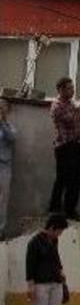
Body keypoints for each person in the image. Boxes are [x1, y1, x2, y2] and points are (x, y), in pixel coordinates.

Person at [49, 76, 80, 219]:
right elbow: (73, 120)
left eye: (73, 88)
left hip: (74, 145)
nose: (72, 91)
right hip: (65, 146)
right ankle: (56, 209)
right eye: (69, 88)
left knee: (77, 178)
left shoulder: (70, 104)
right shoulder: (57, 105)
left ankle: (69, 209)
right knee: (65, 178)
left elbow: (77, 124)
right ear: (61, 90)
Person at [0, 98, 15, 239]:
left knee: (3, 200)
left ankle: (1, 231)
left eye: (2, 108)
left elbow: (11, 138)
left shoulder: (9, 126)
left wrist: (2, 123)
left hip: (4, 166)